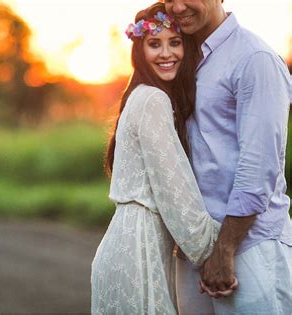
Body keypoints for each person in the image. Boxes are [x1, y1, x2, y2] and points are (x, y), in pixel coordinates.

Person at [90, 3, 233, 314]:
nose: (166, 53)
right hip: (137, 253)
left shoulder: (144, 96)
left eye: (175, 42)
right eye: (155, 44)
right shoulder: (152, 99)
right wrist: (220, 249)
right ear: (140, 51)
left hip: (131, 246)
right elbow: (175, 191)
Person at [163, 0, 292, 314]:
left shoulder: (254, 58)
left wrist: (226, 247)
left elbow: (259, 164)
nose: (176, 7)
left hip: (248, 246)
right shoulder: (182, 58)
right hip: (196, 249)